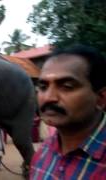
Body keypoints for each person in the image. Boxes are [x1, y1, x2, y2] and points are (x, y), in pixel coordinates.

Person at [30, 45, 106, 179]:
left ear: (101, 99)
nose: (48, 97)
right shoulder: (42, 152)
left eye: (67, 87)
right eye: (43, 87)